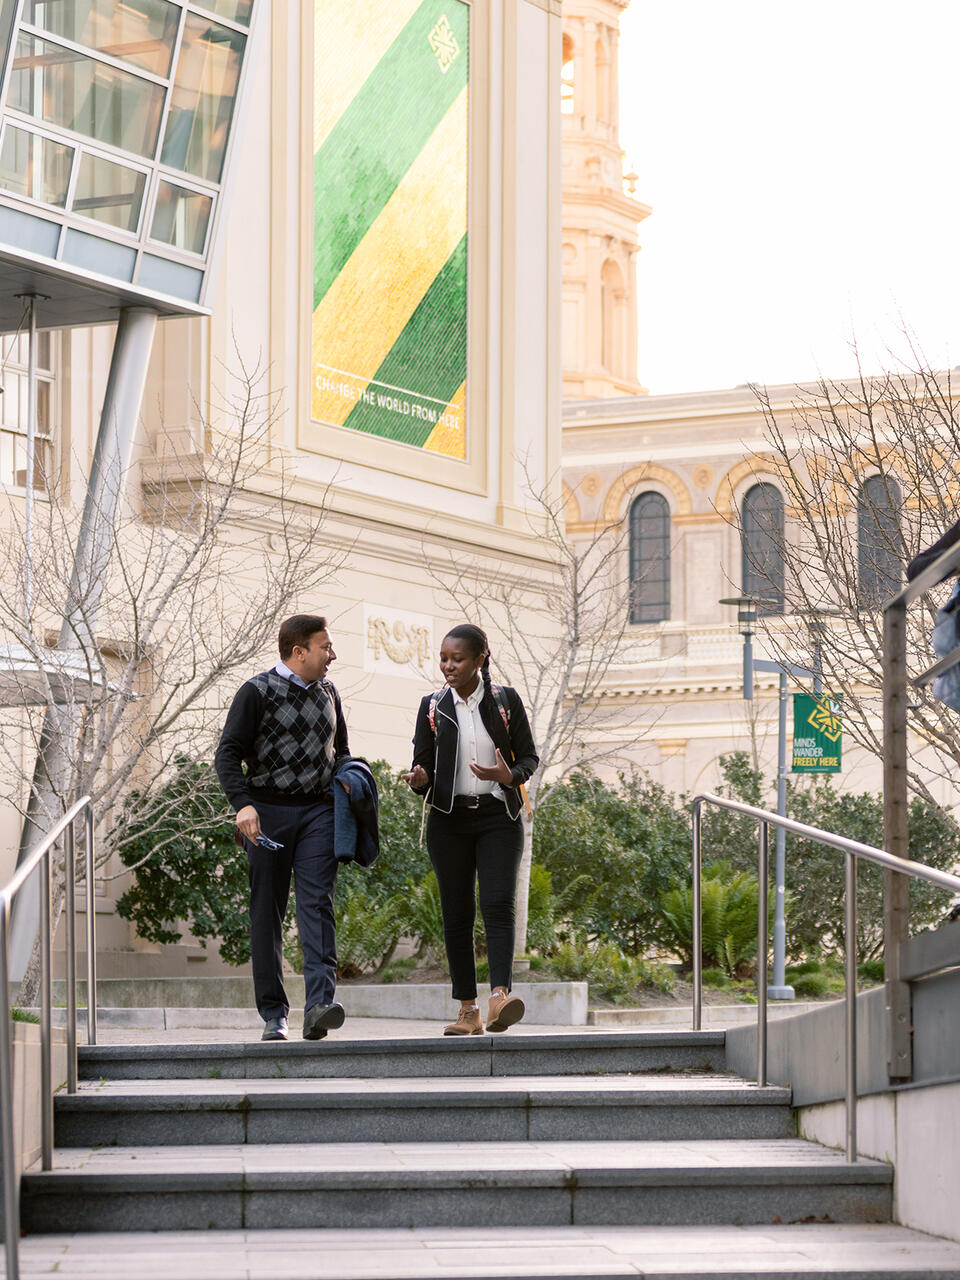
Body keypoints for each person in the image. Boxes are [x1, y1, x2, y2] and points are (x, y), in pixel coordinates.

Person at [215, 614, 348, 1043]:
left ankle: (319, 1007)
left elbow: (340, 751)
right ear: (298, 651)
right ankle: (274, 1013)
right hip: (266, 815)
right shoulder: (256, 691)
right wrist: (243, 805)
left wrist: (352, 778)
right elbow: (227, 754)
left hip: (317, 813)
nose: (332, 655)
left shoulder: (329, 693)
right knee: (267, 913)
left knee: (317, 906)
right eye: (325, 647)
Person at [403, 624, 539, 1036]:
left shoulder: (505, 701)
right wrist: (420, 778)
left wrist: (508, 775)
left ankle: (500, 997)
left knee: (498, 906)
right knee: (456, 915)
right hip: (449, 821)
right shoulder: (432, 706)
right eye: (443, 658)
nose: (448, 666)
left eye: (457, 659)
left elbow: (529, 758)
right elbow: (422, 763)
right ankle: (468, 1010)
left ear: (481, 658)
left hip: (499, 816)